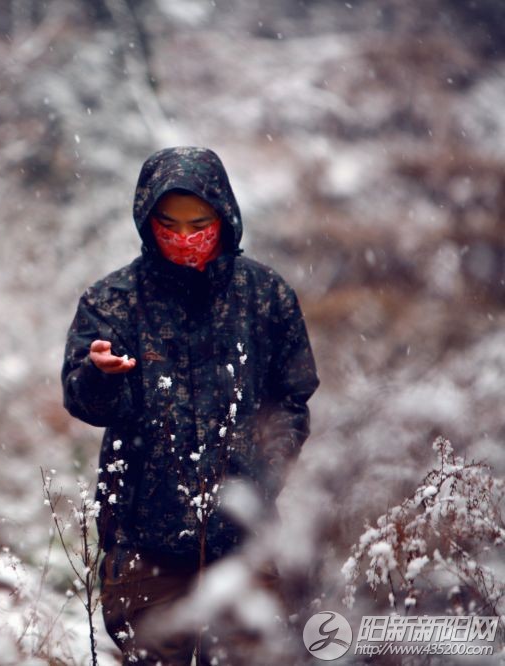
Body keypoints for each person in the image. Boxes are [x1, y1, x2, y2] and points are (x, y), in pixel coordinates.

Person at [61, 147, 320, 664]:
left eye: (199, 222)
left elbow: (292, 397)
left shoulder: (265, 297)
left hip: (246, 546)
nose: (184, 237)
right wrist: (100, 374)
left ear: (223, 217)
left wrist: (263, 474)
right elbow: (83, 401)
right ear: (146, 221)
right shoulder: (112, 301)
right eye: (168, 223)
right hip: (143, 552)